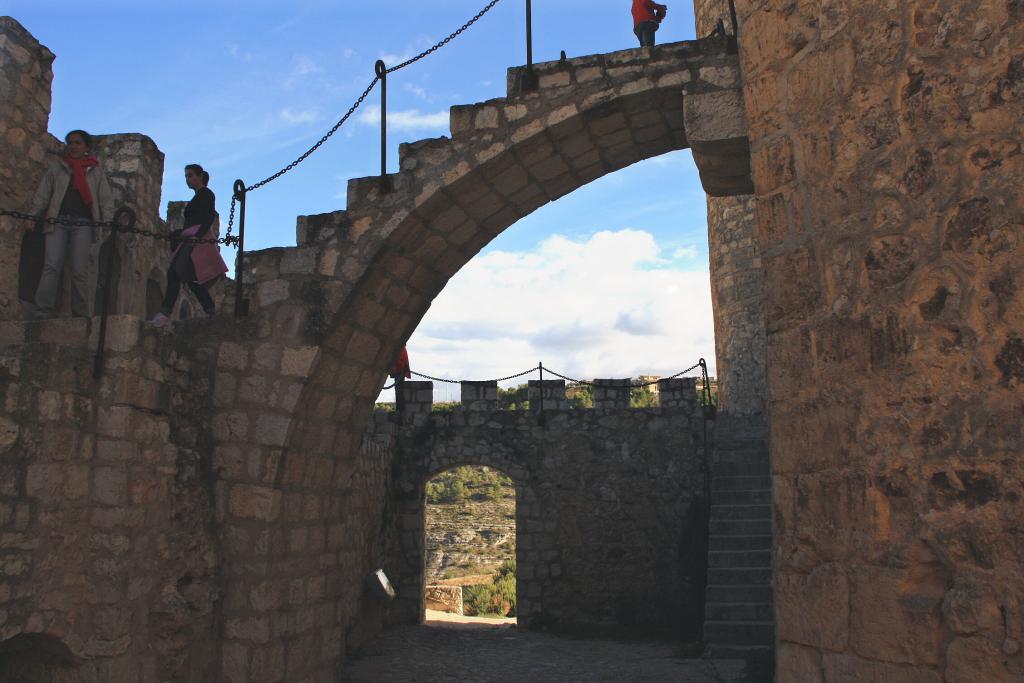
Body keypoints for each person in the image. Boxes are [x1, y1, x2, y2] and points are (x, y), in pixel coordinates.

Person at [27, 129, 114, 319]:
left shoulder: (95, 171)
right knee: (51, 266)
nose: (73, 146)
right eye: (70, 142)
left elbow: (105, 199)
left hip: (83, 224)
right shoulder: (58, 168)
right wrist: (33, 216)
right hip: (57, 222)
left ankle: (81, 316)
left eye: (77, 143)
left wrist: (106, 223)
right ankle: (42, 311)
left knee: (79, 270)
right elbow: (44, 194)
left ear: (86, 147)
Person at [149, 164, 226, 326]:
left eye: (190, 175)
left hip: (195, 239)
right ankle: (210, 310)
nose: (187, 179)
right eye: (186, 176)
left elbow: (207, 217)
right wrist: (179, 234)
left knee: (174, 273)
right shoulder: (199, 195)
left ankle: (165, 312)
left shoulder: (206, 194)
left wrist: (196, 237)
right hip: (191, 237)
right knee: (190, 278)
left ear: (200, 176)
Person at [390, 346, 411, 413]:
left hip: (400, 371)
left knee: (399, 390)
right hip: (399, 370)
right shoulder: (401, 348)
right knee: (399, 390)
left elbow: (402, 359)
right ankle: (400, 409)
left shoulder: (401, 348)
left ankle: (400, 409)